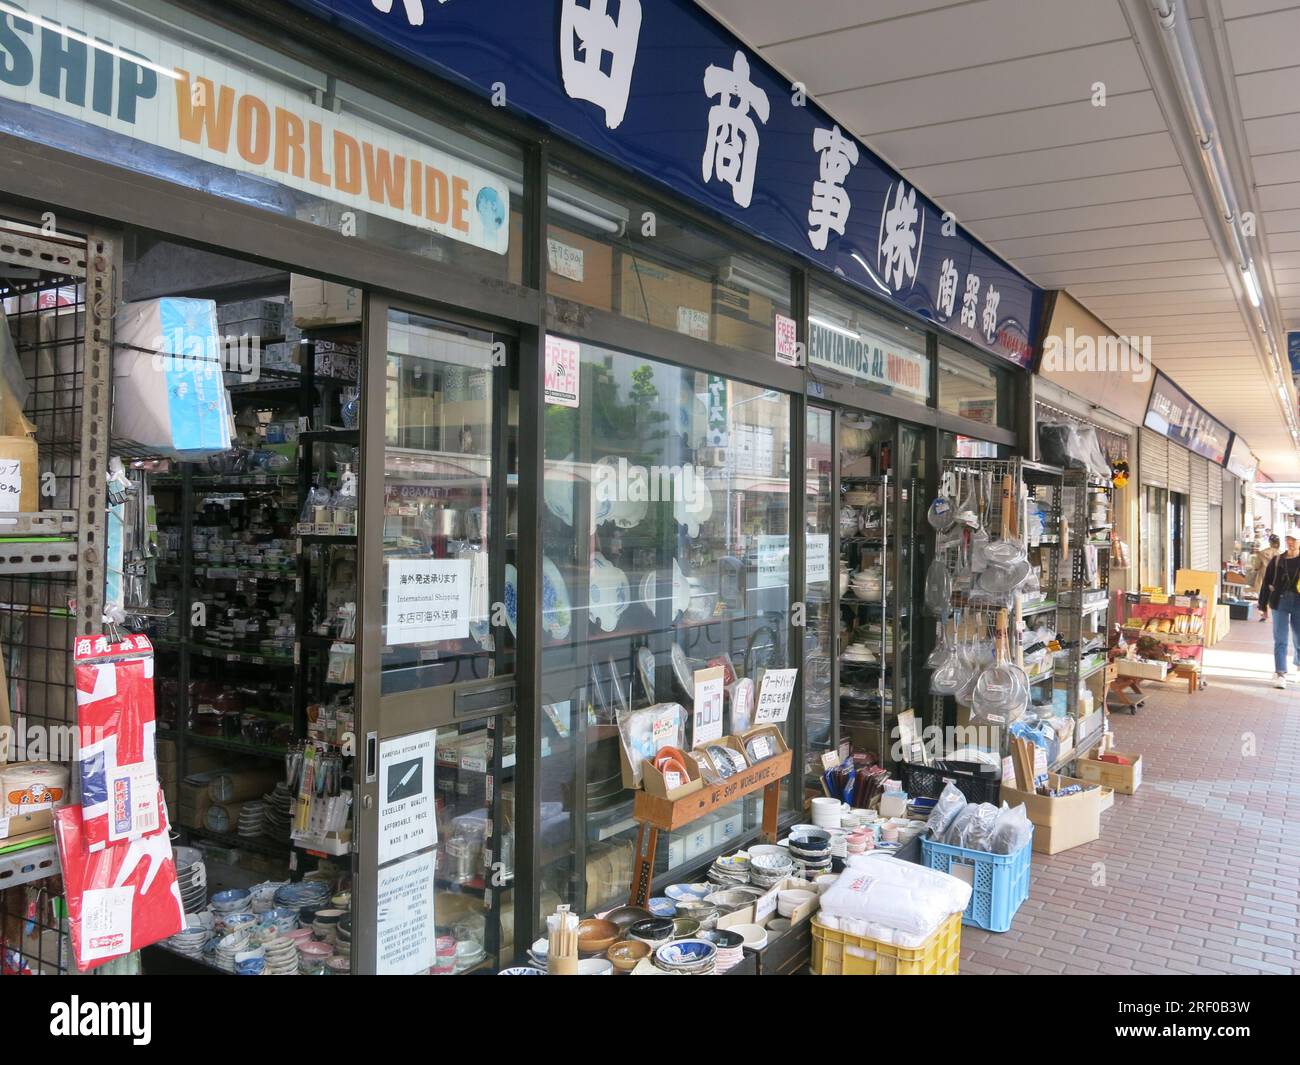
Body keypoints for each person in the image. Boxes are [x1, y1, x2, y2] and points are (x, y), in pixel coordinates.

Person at [1258, 532, 1300, 688]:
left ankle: (1299, 667)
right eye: (1288, 539)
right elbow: (1266, 582)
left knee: (1299, 638)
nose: (1290, 542)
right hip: (1280, 601)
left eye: (1294, 540)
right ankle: (1280, 673)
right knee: (1280, 639)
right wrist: (1262, 605)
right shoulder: (1277, 560)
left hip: (1299, 602)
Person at [1251, 535, 1280, 618]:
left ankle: (1264, 613)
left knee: (1264, 594)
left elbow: (1256, 566)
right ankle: (1273, 612)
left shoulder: (1262, 553)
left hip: (1264, 575)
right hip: (1276, 577)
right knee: (1274, 594)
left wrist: (1256, 569)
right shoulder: (1281, 553)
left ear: (1269, 542)